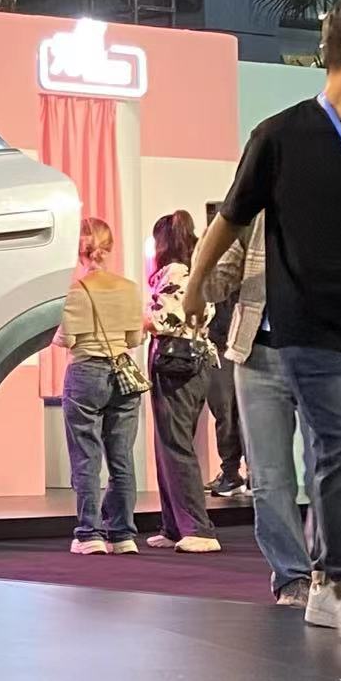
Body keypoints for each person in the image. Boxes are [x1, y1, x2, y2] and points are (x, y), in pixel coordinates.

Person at [186, 0, 341, 642]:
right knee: (337, 449)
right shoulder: (280, 136)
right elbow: (229, 220)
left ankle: (322, 584)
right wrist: (195, 286)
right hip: (305, 332)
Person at [209, 216, 323, 606]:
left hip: (325, 352)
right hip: (258, 352)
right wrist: (217, 239)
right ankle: (292, 576)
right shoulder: (257, 215)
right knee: (268, 477)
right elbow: (213, 284)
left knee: (327, 469)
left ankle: (326, 570)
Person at [55, 218, 147, 556]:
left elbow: (66, 339)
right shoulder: (129, 288)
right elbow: (134, 339)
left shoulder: (75, 291)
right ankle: (123, 535)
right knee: (122, 459)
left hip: (85, 373)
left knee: (86, 459)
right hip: (124, 373)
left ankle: (89, 534)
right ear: (109, 247)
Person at [146, 210, 222, 553]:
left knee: (175, 446)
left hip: (176, 363)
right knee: (172, 445)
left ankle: (197, 528)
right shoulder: (197, 268)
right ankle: (175, 526)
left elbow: (168, 318)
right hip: (197, 362)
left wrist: (136, 318)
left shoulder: (174, 272)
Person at [204, 258, 249, 499]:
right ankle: (232, 473)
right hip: (227, 345)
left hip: (234, 346)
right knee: (227, 413)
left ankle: (238, 474)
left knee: (232, 414)